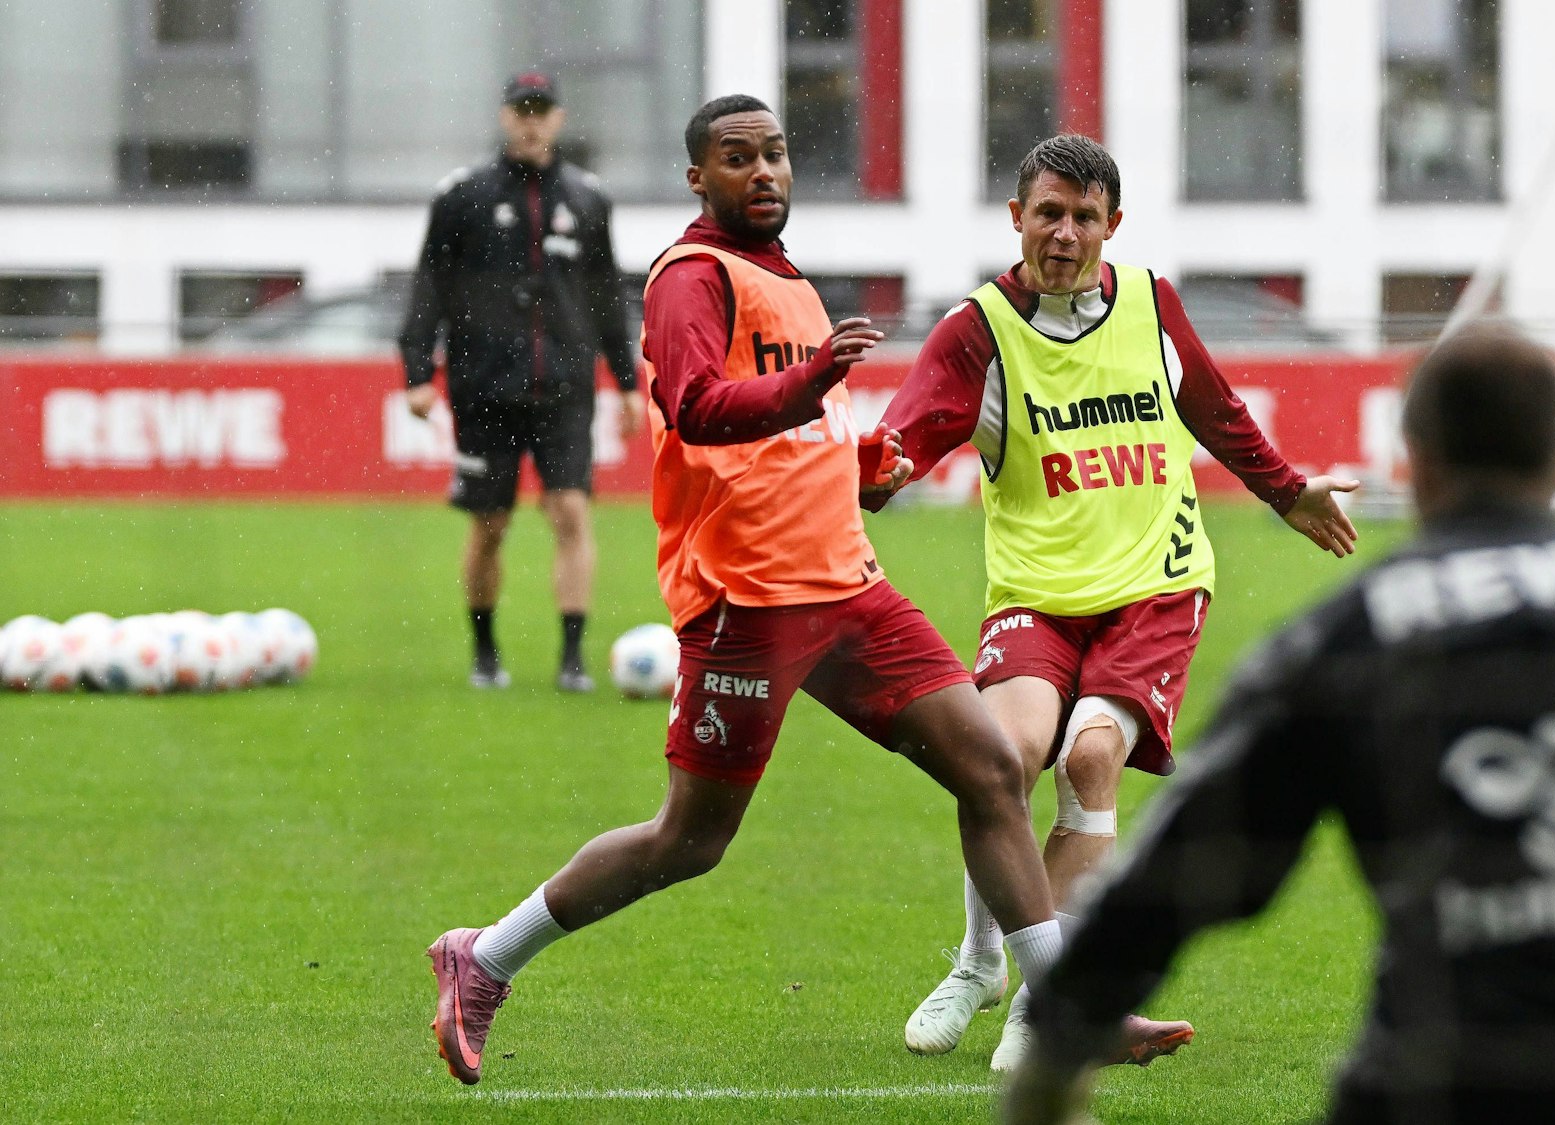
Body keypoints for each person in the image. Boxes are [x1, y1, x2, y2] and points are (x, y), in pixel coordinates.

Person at [425, 95, 1188, 1086]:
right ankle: (481, 959)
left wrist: (862, 452)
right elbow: (697, 409)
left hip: (848, 587)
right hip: (747, 602)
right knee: (688, 841)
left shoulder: (786, 280)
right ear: (698, 178)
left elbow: (800, 431)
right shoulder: (690, 278)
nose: (764, 173)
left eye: (775, 155)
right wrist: (813, 381)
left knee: (992, 769)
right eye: (737, 160)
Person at [1001, 323, 1555, 1125]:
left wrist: (1054, 1055)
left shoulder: (1351, 637)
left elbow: (1179, 874)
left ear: (1415, 465)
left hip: (1447, 1078)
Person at [868, 134, 1362, 1071]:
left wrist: (1286, 488)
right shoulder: (979, 330)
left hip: (1156, 589)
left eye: (1084, 216)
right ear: (1016, 218)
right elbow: (903, 439)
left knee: (1091, 757)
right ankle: (980, 962)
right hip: (1036, 599)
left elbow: (1213, 409)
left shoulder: (1150, 303)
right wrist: (872, 472)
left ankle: (1036, 1003)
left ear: (1113, 224)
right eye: (1048, 213)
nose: (1064, 232)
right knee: (1002, 756)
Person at [398, 70, 643, 692]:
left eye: (542, 110)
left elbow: (606, 296)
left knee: (570, 512)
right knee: (490, 524)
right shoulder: (464, 196)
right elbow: (430, 285)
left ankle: (571, 657)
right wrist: (418, 371)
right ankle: (485, 652)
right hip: (484, 386)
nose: (531, 121)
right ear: (505, 117)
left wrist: (626, 381)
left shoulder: (588, 198)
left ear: (558, 117)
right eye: (521, 110)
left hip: (564, 386)